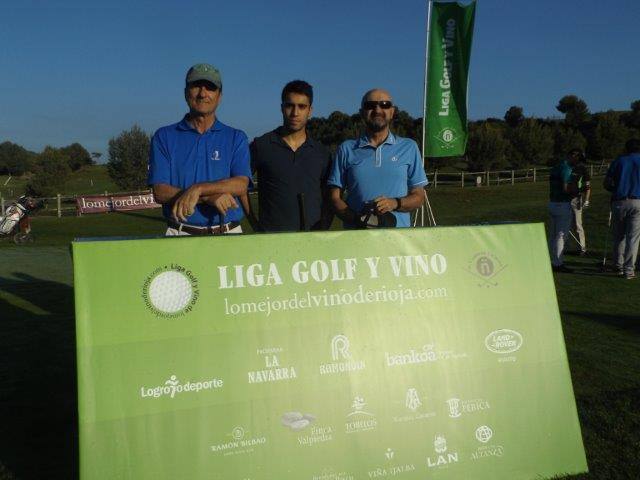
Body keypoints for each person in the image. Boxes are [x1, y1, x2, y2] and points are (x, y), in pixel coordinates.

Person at [148, 63, 252, 235]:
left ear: (219, 96)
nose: (203, 93)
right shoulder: (164, 136)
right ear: (185, 93)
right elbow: (160, 191)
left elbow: (241, 184)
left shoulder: (236, 137)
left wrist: (199, 189)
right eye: (196, 86)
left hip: (228, 232)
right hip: (181, 232)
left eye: (210, 88)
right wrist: (210, 197)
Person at [327, 88, 427, 228]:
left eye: (384, 105)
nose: (377, 110)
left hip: (398, 241)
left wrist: (395, 203)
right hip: (357, 241)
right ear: (362, 113)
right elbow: (334, 198)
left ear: (392, 112)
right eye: (370, 105)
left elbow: (419, 197)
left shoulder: (409, 147)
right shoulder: (346, 149)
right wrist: (358, 220)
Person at [246, 80, 333, 232]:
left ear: (310, 110)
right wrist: (254, 223)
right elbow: (241, 185)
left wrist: (324, 228)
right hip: (272, 242)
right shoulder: (262, 145)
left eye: (302, 106)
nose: (295, 113)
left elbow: (330, 196)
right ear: (282, 108)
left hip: (312, 242)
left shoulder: (321, 153)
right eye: (290, 105)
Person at [603, 138, 640, 279]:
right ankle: (629, 270)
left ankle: (618, 265)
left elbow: (607, 183)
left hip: (619, 201)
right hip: (637, 200)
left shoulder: (619, 161)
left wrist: (615, 188)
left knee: (619, 236)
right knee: (633, 238)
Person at [548, 152, 580, 272]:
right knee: (561, 235)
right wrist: (576, 191)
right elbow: (565, 188)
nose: (578, 162)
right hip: (562, 203)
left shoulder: (556, 167)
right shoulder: (566, 169)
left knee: (553, 234)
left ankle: (551, 260)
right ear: (573, 156)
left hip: (552, 203)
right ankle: (557, 263)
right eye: (578, 159)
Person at [568, 149, 591, 255]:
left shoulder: (582, 169)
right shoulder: (568, 167)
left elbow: (587, 186)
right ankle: (565, 246)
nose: (571, 157)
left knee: (577, 224)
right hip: (565, 199)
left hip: (576, 199)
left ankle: (582, 248)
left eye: (574, 156)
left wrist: (586, 200)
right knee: (565, 224)